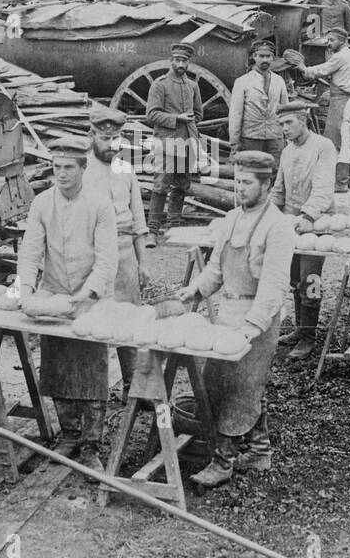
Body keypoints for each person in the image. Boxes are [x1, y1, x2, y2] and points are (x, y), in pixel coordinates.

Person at [177, 151, 295, 486]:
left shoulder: (278, 228)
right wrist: (196, 290)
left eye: (246, 183)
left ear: (266, 185)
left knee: (240, 387)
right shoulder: (231, 219)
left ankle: (223, 461)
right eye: (237, 182)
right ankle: (259, 450)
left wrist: (250, 328)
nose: (239, 190)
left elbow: (274, 288)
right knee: (218, 381)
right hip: (228, 314)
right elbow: (215, 270)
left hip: (258, 318)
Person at [16, 137, 119, 468]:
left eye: (68, 168)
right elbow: (30, 252)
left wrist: (86, 294)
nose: (61, 174)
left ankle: (91, 445)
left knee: (91, 369)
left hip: (92, 297)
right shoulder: (42, 204)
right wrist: (26, 291)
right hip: (56, 292)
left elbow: (107, 260)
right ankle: (70, 435)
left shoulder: (100, 205)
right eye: (57, 167)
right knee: (58, 366)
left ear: (83, 168)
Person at [85, 104, 150, 395]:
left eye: (116, 140)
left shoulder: (126, 169)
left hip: (125, 254)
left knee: (128, 321)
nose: (111, 145)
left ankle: (132, 387)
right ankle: (95, 392)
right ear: (92, 135)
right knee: (94, 323)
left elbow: (139, 219)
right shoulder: (82, 170)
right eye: (104, 138)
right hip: (94, 255)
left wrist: (143, 262)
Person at [271, 101, 336, 360]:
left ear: (303, 119)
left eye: (289, 123)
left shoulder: (323, 146)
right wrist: (266, 216)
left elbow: (323, 188)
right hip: (290, 223)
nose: (284, 128)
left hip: (315, 223)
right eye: (281, 124)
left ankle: (309, 338)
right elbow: (278, 190)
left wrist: (307, 215)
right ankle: (300, 329)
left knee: (311, 281)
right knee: (294, 279)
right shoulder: (287, 151)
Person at [146, 42, 204, 239]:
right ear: (171, 61)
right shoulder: (159, 84)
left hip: (187, 142)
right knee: (161, 185)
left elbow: (198, 114)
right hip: (166, 143)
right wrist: (176, 119)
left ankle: (173, 228)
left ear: (189, 63)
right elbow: (151, 114)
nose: (181, 64)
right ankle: (152, 231)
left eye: (185, 60)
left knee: (181, 184)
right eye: (177, 60)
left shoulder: (193, 86)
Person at [294, 26, 350, 190]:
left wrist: (303, 68)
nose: (329, 43)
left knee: (337, 142)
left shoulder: (339, 57)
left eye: (332, 40)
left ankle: (340, 184)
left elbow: (320, 71)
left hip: (341, 102)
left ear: (342, 40)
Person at [229, 40, 288, 169]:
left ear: (272, 58)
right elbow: (235, 114)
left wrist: (286, 136)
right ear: (254, 57)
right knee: (252, 172)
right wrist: (234, 142)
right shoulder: (242, 82)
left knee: (275, 171)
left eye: (268, 56)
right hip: (251, 136)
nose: (265, 60)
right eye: (261, 56)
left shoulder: (279, 81)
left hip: (274, 136)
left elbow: (285, 110)